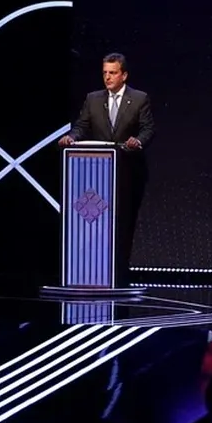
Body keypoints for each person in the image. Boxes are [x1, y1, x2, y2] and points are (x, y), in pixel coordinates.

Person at [59, 53, 155, 284]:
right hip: (98, 176)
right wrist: (71, 137)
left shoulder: (139, 99)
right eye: (104, 73)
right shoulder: (93, 99)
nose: (107, 77)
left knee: (124, 225)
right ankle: (93, 274)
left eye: (112, 73)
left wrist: (137, 142)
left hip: (128, 174)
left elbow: (148, 129)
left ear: (124, 75)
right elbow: (82, 126)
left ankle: (119, 275)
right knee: (97, 223)